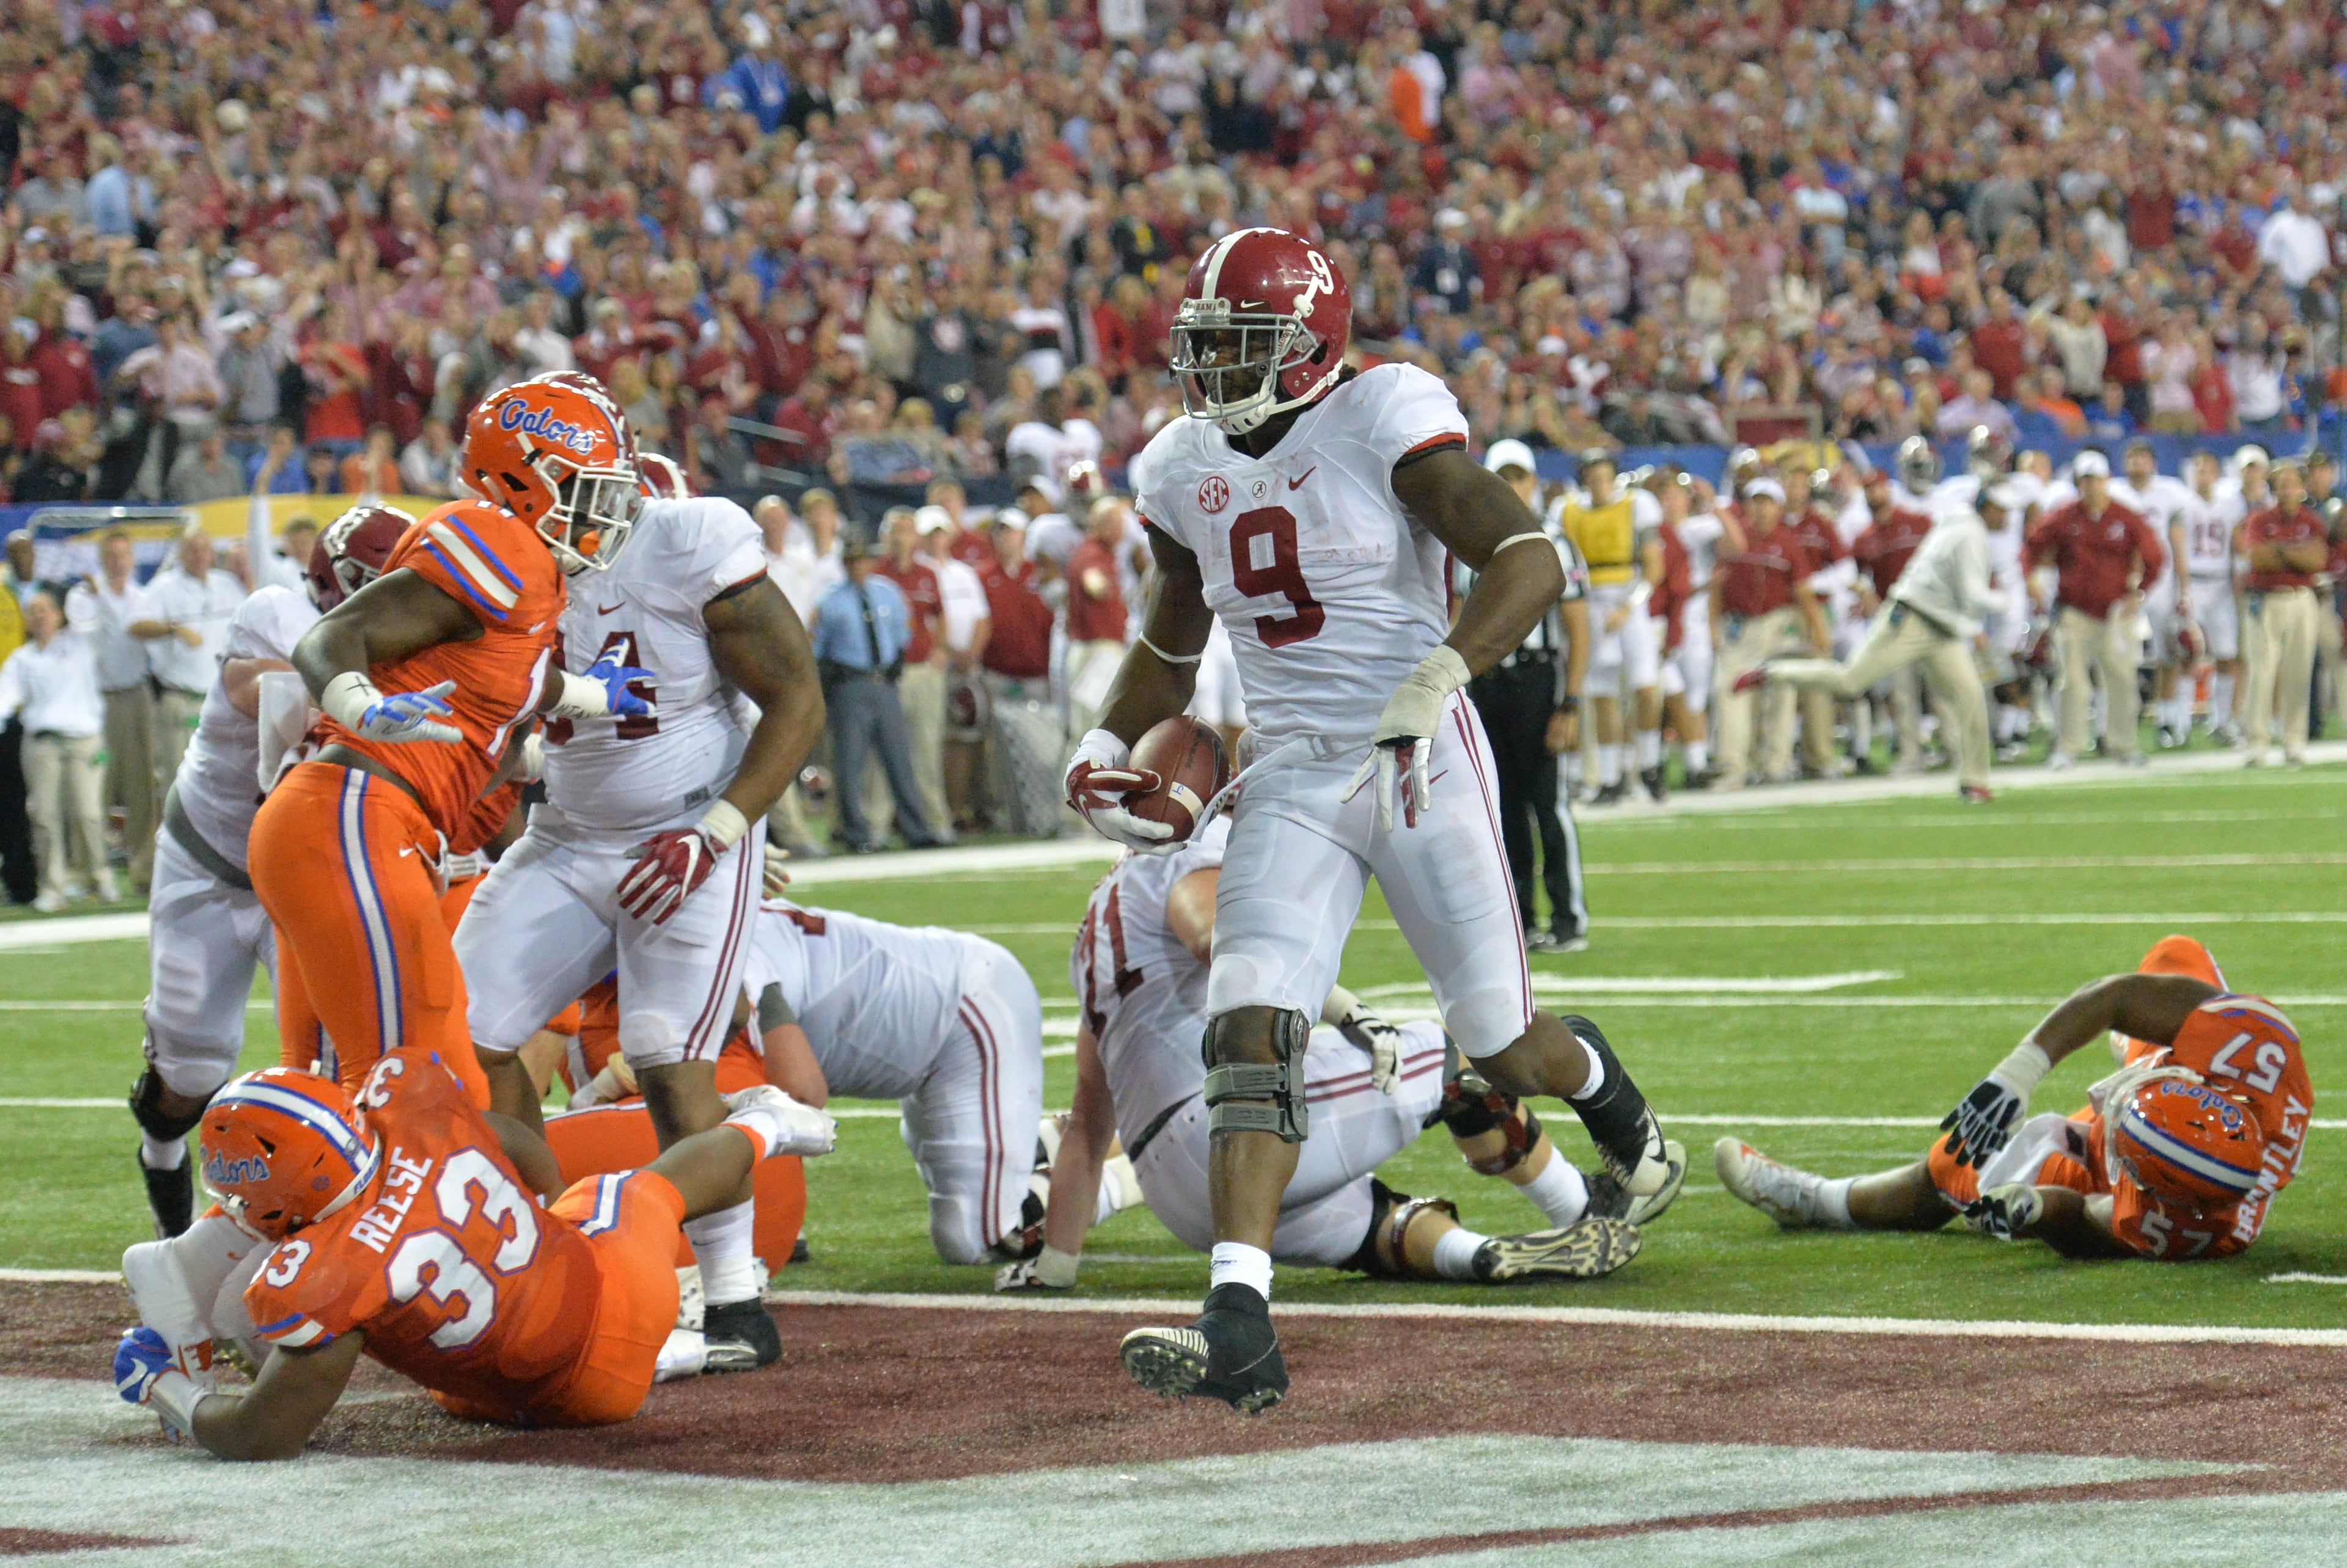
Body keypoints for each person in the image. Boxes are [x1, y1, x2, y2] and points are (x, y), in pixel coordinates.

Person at [1063, 229, 1671, 1413]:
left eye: (1245, 345)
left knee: (1500, 1043)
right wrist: (1096, 748)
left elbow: (1529, 558)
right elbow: (1169, 641)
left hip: (1419, 758)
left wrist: (1440, 674)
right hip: (1289, 768)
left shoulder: (1383, 410)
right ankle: (1238, 1311)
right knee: (1250, 1026)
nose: (1217, 370)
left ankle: (1612, 1101)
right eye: (1208, 345)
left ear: (1310, 347)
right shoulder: (1183, 465)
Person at [452, 375, 825, 1374]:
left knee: (669, 1060)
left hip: (685, 834)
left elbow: (796, 697)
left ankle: (738, 1302)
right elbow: (505, 731)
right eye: (578, 487)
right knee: (459, 1029)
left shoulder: (688, 538)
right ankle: (528, 1262)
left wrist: (719, 829)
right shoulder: (481, 565)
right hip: (568, 838)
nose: (608, 506)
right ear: (512, 494)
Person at [1008, 816, 1679, 1294]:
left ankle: (1478, 1257)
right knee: (1464, 1055)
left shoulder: (1095, 930)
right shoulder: (1181, 859)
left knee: (1371, 1224)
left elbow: (1090, 1128)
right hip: (1227, 1130)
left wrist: (1056, 1266)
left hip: (1176, 1195)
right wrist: (1348, 1011)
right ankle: (1580, 1207)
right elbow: (1220, 941)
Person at [111, 1048, 834, 1457]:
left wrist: (165, 1389)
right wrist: (552, 1213)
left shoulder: (328, 1274)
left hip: (535, 1402)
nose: (236, 1212)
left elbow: (262, 1436)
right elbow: (521, 1145)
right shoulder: (411, 1110)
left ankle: (772, 1126)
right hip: (603, 1295)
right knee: (641, 1191)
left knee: (386, 1329)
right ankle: (766, 1128)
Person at [257, 376, 650, 1113]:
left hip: (378, 826)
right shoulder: (497, 539)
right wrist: (357, 701)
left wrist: (600, 696)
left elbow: (519, 688)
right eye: (587, 487)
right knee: (397, 1088)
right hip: (353, 813)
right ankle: (292, 1224)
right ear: (527, 479)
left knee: (443, 1087)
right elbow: (331, 637)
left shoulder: (529, 582)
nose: (604, 509)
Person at [124, 506, 408, 1237]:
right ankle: (162, 1161)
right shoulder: (278, 612)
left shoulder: (416, 659)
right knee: (188, 1071)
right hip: (208, 869)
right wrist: (370, 700)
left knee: (335, 1068)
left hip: (304, 882)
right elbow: (259, 687)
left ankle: (327, 1239)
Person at [1717, 936, 2307, 1262]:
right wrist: (2015, 1076)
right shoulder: (2258, 1047)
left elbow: (2083, 1219)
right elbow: (2111, 995)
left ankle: (1819, 1202)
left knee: (1959, 1163)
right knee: (2175, 956)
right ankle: (2148, 1049)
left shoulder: (2191, 1229)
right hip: (2176, 1085)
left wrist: (2035, 1211)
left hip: (2110, 1168)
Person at [740, 894, 1052, 1264]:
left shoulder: (728, 951)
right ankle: (1043, 1145)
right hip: (926, 1019)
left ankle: (1117, 1171)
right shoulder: (715, 925)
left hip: (968, 1010)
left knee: (980, 1237)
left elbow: (800, 1092)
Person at [1739, 479, 2004, 803]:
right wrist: (2004, 601)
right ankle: (1771, 672)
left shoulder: (1954, 528)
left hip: (1942, 627)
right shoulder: (1969, 533)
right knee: (1850, 681)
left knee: (1971, 695)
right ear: (1988, 508)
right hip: (1911, 618)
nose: (2007, 517)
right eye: (2003, 510)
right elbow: (1973, 592)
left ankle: (1974, 781)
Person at [1466, 439, 1590, 953]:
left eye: (1519, 477)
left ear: (1533, 482)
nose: (1512, 488)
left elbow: (1579, 631)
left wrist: (1571, 704)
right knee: (1504, 809)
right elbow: (1456, 621)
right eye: (1503, 477)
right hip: (1488, 684)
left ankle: (1567, 917)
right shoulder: (1465, 542)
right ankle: (1522, 920)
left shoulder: (1555, 541)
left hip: (1538, 682)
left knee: (1547, 804)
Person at [2023, 449, 2164, 768]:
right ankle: (2068, 746)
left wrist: (2139, 592)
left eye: (2096, 480)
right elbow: (2031, 548)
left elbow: (2155, 556)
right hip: (2073, 611)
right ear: (2078, 483)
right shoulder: (2064, 516)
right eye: (2085, 480)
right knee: (2070, 681)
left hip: (2116, 612)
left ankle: (2124, 745)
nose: (2091, 487)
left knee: (2122, 680)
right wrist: (2033, 583)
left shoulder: (2126, 516)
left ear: (2106, 481)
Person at [809, 534, 940, 854]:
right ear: (845, 564)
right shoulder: (829, 600)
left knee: (899, 759)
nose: (858, 567)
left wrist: (895, 662)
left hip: (884, 682)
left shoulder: (888, 593)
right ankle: (855, 831)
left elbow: (902, 634)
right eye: (852, 561)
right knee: (850, 763)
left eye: (863, 560)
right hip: (849, 684)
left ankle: (916, 829)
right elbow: (817, 647)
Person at [1555, 451, 1664, 803]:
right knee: (1602, 695)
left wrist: (1630, 606)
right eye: (1593, 476)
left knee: (1645, 687)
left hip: (1629, 597)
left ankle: (1649, 762)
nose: (1599, 483)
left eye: (1604, 475)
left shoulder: (1637, 504)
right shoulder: (1568, 510)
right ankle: (1610, 776)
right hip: (1590, 602)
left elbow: (1654, 567)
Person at [1708, 477, 1824, 788]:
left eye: (1767, 502)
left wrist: (1817, 630)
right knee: (1730, 690)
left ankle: (1776, 764)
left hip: (1778, 623)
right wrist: (1712, 626)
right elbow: (1716, 586)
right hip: (1741, 627)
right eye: (1756, 502)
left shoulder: (1788, 542)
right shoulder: (1734, 539)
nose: (1761, 509)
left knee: (1779, 693)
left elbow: (1802, 592)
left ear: (1778, 506)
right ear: (1747, 505)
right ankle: (1734, 767)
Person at [0, 589, 111, 911]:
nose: (39, 616)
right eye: (32, 611)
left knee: (88, 813)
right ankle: (53, 887)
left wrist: (91, 591)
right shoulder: (22, 659)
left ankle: (99, 878)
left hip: (84, 741)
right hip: (41, 743)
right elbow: (5, 696)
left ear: (59, 615)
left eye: (45, 609)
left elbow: (101, 625)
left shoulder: (81, 645)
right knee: (45, 815)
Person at [65, 530, 158, 890]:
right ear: (102, 560)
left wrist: (104, 598)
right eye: (112, 556)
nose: (118, 563)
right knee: (94, 786)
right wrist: (101, 598)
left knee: (141, 786)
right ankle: (87, 871)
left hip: (136, 696)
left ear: (132, 560)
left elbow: (134, 637)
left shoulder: (143, 598)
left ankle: (143, 870)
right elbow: (89, 644)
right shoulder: (81, 596)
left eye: (124, 556)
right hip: (96, 699)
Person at [128, 526, 245, 792]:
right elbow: (135, 626)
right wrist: (173, 629)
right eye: (192, 550)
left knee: (223, 779)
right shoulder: (165, 587)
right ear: (181, 554)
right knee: (178, 779)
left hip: (220, 700)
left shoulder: (227, 586)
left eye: (204, 550)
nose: (199, 556)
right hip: (179, 699)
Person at [2236, 458, 2327, 768]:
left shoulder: (2312, 521)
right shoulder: (2260, 520)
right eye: (2282, 484)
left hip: (2301, 599)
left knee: (2298, 674)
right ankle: (2257, 743)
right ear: (2274, 488)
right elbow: (2258, 559)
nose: (2289, 489)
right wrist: (2294, 554)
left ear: (2302, 487)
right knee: (2261, 674)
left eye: (2293, 483)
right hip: (2266, 600)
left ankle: (2294, 741)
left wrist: (2280, 550)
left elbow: (2316, 560)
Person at [2109, 439, 2198, 750]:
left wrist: (2183, 588)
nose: (2138, 464)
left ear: (2154, 463)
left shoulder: (2170, 493)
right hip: (2122, 584)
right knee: (2119, 657)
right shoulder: (2114, 494)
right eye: (2132, 458)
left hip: (2159, 581)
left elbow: (2177, 542)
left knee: (2168, 654)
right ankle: (2117, 723)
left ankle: (2167, 719)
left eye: (2143, 458)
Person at [872, 505, 953, 843]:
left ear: (916, 537)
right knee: (881, 752)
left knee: (926, 749)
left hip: (922, 670)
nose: (901, 536)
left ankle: (935, 822)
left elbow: (939, 614)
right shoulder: (875, 574)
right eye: (895, 529)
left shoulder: (927, 574)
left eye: (907, 529)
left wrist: (941, 649)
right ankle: (875, 826)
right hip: (887, 673)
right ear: (884, 536)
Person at [2170, 452, 2239, 743]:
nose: (2204, 475)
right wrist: (2183, 588)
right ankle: (2181, 724)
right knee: (2189, 652)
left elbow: (2237, 544)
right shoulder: (2183, 505)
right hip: (2195, 581)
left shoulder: (2230, 505)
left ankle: (2221, 720)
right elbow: (2177, 547)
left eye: (2209, 470)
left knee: (2227, 655)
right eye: (2199, 470)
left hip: (2221, 582)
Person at [1062, 496, 1133, 743]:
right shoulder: (1092, 553)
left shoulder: (1104, 553)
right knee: (1094, 728)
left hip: (1099, 649)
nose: (1120, 528)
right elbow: (1092, 579)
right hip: (1096, 651)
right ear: (1098, 524)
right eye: (1113, 522)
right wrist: (1099, 586)